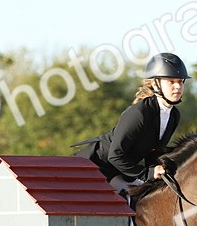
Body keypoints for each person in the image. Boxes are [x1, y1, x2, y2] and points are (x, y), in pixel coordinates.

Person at [72, 52, 188, 195]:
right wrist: (147, 173)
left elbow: (153, 152)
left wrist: (158, 170)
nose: (178, 87)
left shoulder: (174, 115)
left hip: (122, 170)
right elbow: (115, 155)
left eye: (181, 81)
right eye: (171, 82)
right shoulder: (140, 112)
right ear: (155, 83)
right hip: (95, 168)